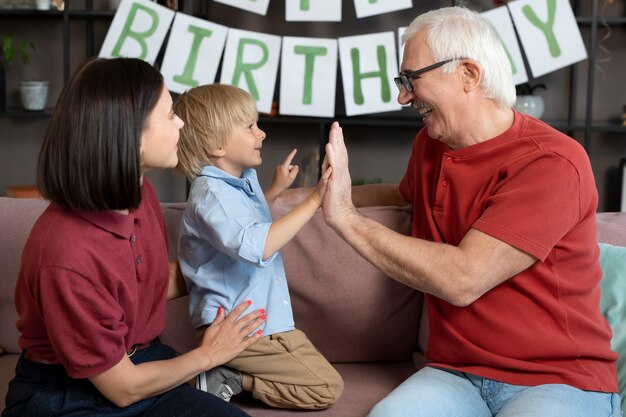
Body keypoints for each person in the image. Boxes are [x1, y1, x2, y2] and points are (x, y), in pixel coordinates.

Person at [321, 6, 622, 417]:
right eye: (401, 80)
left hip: (556, 378)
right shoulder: (430, 144)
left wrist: (345, 217)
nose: (402, 96)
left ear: (468, 74)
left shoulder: (553, 162)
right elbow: (402, 195)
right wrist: (320, 192)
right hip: (454, 373)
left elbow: (463, 279)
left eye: (412, 79)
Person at [2, 57, 265, 417]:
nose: (182, 123)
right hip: (70, 393)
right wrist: (210, 354)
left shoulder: (138, 193)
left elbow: (146, 284)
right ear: (132, 137)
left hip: (144, 361)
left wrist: (232, 264)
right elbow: (123, 389)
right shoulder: (65, 257)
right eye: (171, 114)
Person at [174, 84, 343, 409]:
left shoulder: (235, 187)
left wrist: (274, 190)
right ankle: (230, 375)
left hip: (262, 322)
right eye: (250, 126)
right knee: (325, 388)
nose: (261, 134)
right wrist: (316, 198)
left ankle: (225, 372)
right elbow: (258, 245)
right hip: (239, 329)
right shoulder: (211, 194)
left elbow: (243, 227)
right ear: (217, 145)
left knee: (322, 380)